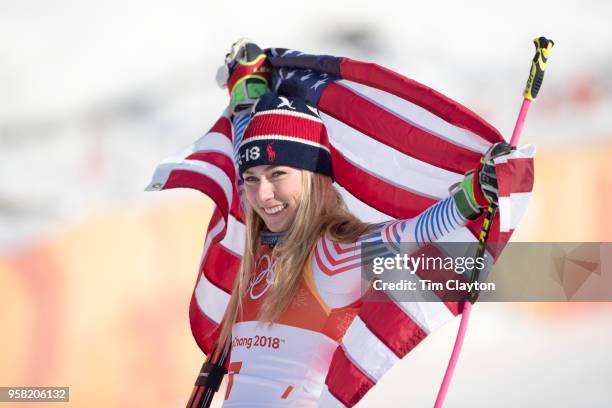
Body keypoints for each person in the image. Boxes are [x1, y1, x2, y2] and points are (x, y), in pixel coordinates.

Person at [212, 82, 510, 406]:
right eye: (252, 179)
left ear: (314, 177)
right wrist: (245, 97)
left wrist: (473, 195)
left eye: (278, 174)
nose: (263, 195)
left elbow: (410, 235)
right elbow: (246, 169)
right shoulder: (261, 237)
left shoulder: (331, 257)